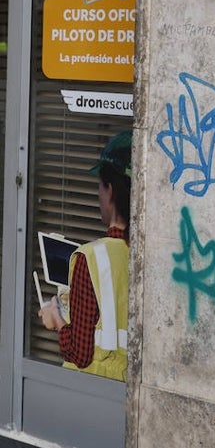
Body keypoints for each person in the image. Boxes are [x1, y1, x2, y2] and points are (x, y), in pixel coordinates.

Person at [39, 130, 132, 381]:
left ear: (109, 190)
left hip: (91, 387)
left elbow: (79, 353)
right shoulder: (143, 252)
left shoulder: (88, 257)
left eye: (100, 187)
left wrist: (56, 318)